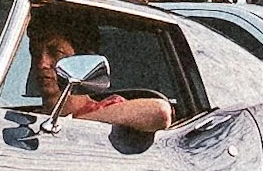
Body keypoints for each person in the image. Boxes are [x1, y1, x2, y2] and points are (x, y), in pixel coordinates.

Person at [27, 12, 172, 135]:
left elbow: (160, 112)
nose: (42, 64)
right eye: (35, 53)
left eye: (56, 53)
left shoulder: (107, 108)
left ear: (83, 61)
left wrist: (70, 126)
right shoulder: (31, 117)